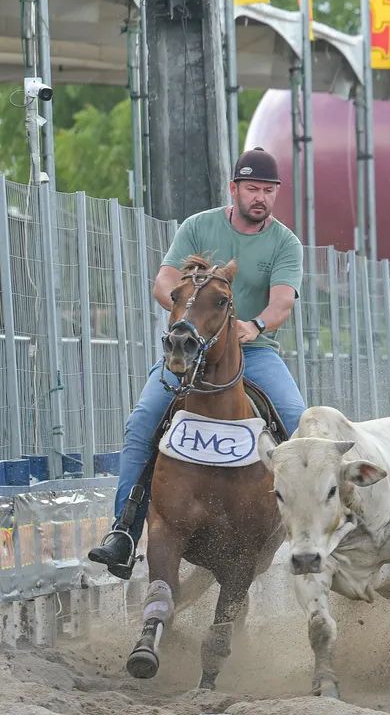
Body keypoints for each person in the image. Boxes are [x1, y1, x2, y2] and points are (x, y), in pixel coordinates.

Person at [87, 148, 307, 579]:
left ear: (275, 193)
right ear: (235, 189)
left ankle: (312, 536)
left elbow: (282, 301)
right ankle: (124, 532)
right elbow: (165, 280)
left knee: (300, 424)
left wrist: (254, 326)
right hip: (188, 351)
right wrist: (186, 318)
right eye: (252, 188)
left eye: (268, 190)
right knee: (142, 421)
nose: (260, 197)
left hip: (253, 352)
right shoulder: (197, 226)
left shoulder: (284, 242)